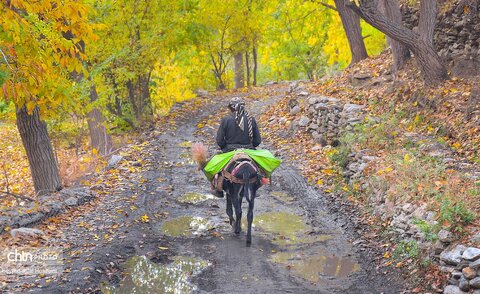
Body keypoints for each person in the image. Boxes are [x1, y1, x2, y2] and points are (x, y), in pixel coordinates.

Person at [211, 97, 262, 197]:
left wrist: (224, 147)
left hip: (230, 150)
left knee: (213, 167)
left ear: (231, 108)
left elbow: (219, 140)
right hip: (248, 150)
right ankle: (257, 184)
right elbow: (257, 141)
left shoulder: (226, 120)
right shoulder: (251, 119)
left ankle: (218, 189)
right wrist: (250, 146)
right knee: (261, 166)